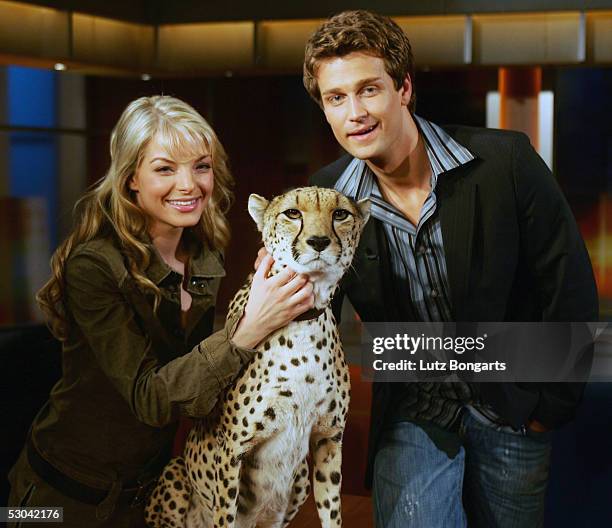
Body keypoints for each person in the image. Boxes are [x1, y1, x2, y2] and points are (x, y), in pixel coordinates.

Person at [302, 10, 598, 528]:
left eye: (369, 89)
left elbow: (566, 284)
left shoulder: (506, 162)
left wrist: (550, 405)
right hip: (414, 409)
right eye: (336, 97)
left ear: (404, 88)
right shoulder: (327, 196)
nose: (355, 113)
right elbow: (311, 308)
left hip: (512, 408)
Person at [7, 95, 314, 527]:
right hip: (56, 498)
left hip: (147, 495)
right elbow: (151, 399)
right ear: (132, 177)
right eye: (165, 168)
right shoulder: (93, 266)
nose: (189, 185)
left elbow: (199, 379)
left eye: (201, 166)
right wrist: (247, 329)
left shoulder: (203, 253)